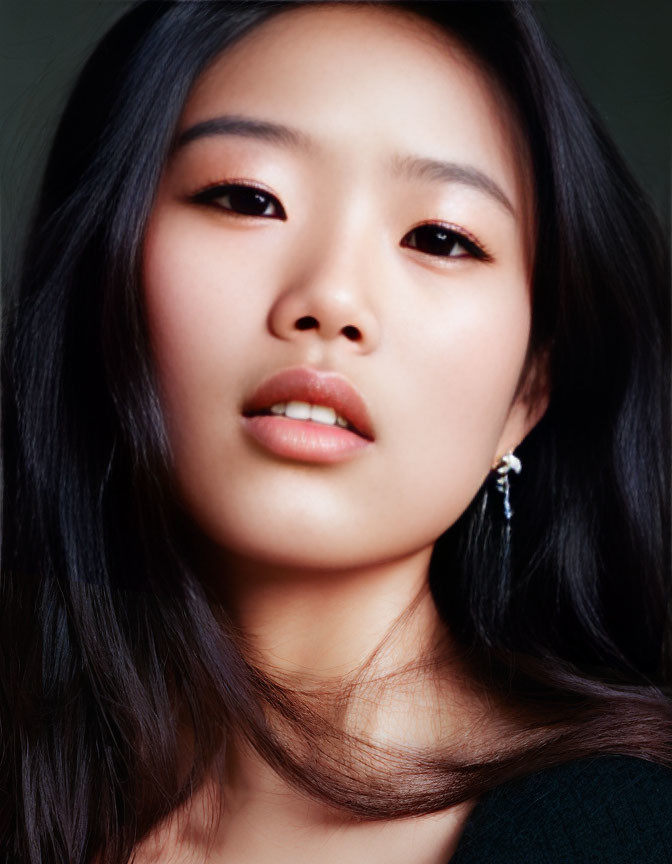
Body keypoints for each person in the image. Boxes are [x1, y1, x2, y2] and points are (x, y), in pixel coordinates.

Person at [1, 1, 670, 862]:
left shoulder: (618, 838)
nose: (331, 300)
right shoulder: (38, 798)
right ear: (105, 282)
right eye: (248, 197)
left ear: (528, 394)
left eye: (440, 237)